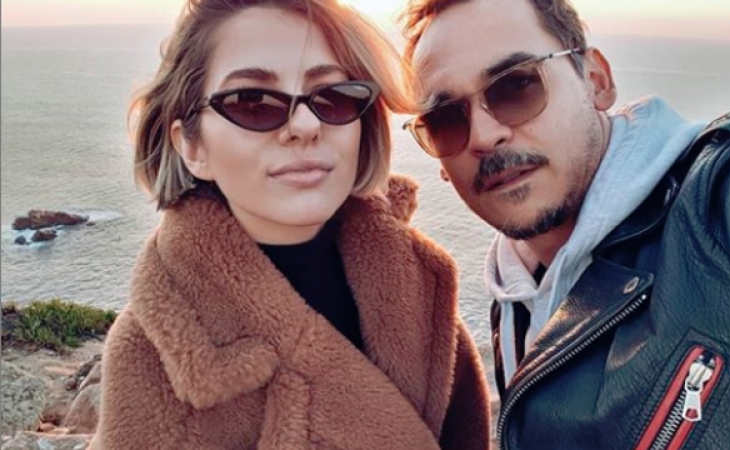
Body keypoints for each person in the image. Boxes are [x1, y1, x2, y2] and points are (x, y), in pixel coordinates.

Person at [90, 1, 491, 449]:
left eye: (334, 96)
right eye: (253, 102)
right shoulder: (152, 355)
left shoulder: (417, 285)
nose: (305, 125)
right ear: (192, 147)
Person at [400, 0, 730, 448]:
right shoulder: (515, 295)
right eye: (446, 119)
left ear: (596, 81)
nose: (483, 136)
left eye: (516, 86)